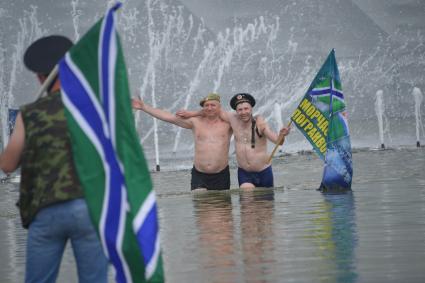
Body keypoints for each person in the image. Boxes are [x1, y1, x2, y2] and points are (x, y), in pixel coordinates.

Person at [0, 35, 108, 283]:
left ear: (40, 77)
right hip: (89, 207)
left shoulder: (30, 113)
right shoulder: (93, 108)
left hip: (45, 209)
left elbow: (7, 165)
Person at [177, 93, 290, 189]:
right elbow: (212, 110)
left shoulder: (260, 124)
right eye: (240, 110)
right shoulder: (232, 120)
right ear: (236, 111)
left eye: (246, 109)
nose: (243, 112)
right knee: (247, 200)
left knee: (266, 208)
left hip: (263, 171)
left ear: (251, 109)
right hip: (244, 173)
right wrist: (192, 113)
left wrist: (281, 135)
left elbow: (278, 141)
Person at [132, 93, 232, 190]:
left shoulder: (228, 123)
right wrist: (143, 107)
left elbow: (242, 116)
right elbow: (168, 117)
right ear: (203, 108)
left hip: (221, 174)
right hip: (200, 174)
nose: (209, 108)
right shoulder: (195, 122)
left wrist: (195, 112)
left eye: (213, 105)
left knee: (221, 205)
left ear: (220, 107)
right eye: (206, 105)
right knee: (201, 200)